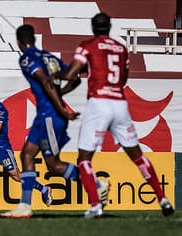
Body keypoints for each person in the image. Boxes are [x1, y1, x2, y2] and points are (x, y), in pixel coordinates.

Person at [61, 12, 174, 218]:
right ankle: (162, 198)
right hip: (119, 103)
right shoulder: (121, 48)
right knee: (137, 155)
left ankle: (95, 204)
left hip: (99, 102)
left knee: (84, 159)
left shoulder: (88, 45)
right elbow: (123, 79)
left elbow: (70, 74)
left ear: (93, 27)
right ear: (110, 26)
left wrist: (55, 75)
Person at [0, 24, 107, 219]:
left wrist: (61, 109)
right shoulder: (50, 57)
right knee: (27, 155)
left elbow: (46, 83)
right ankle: (24, 206)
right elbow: (75, 79)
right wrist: (61, 94)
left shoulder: (26, 58)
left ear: (19, 42)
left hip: (50, 115)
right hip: (44, 116)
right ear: (35, 39)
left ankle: (97, 184)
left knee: (54, 166)